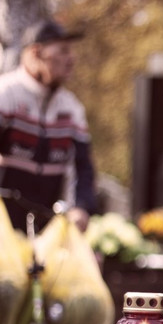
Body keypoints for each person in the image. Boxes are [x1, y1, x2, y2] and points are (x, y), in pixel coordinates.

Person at [0, 19, 96, 233]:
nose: (71, 59)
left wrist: (81, 207)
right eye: (62, 51)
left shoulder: (72, 109)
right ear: (36, 53)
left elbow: (84, 169)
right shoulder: (6, 94)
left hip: (46, 228)